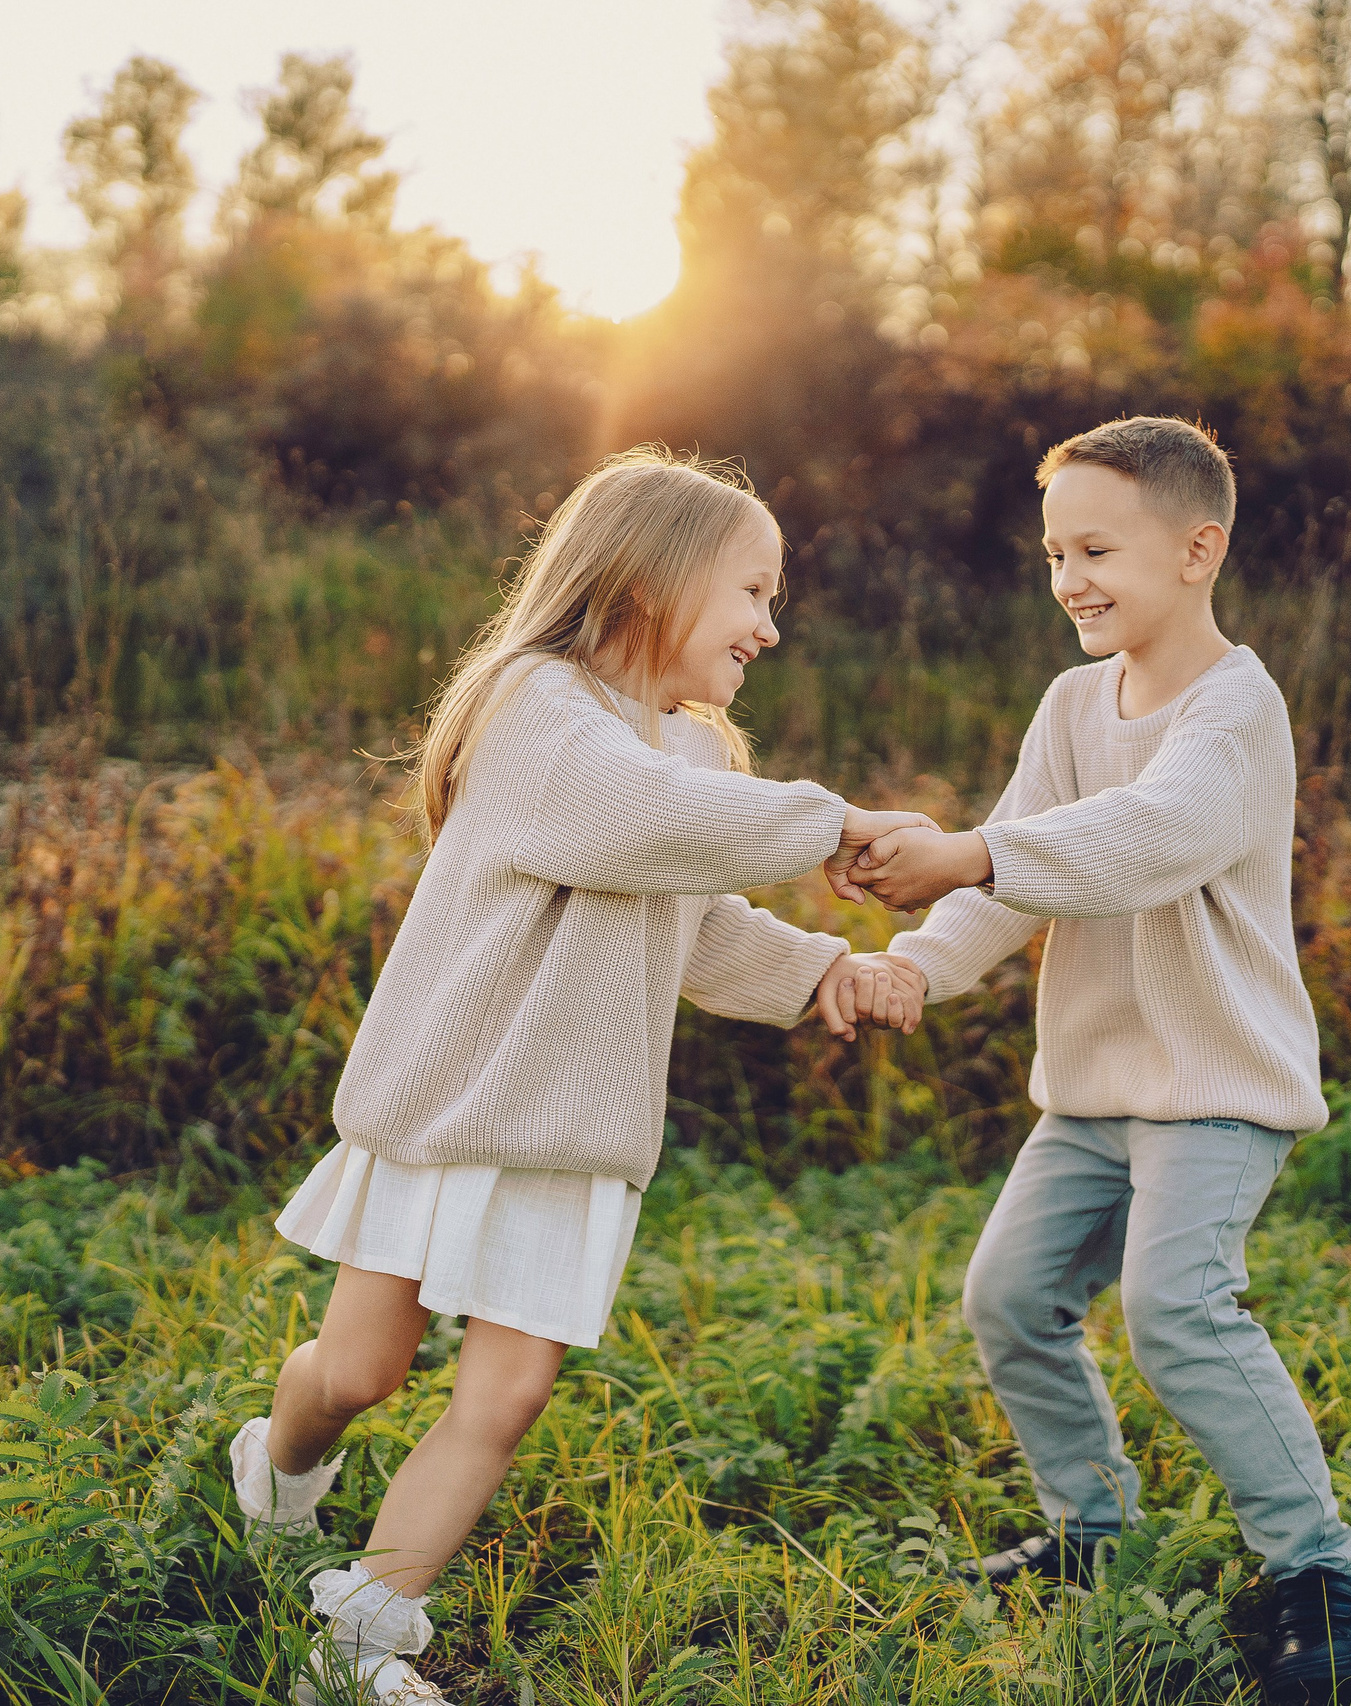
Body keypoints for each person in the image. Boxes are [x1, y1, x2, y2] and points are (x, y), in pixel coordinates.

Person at [231, 447, 930, 1706]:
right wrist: (835, 826)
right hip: (447, 1104)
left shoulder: (700, 761)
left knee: (504, 1395)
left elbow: (691, 918)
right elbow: (631, 819)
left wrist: (821, 966)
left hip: (573, 1125)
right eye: (754, 592)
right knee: (357, 1372)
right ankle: (272, 1477)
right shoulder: (534, 706)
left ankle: (353, 1642)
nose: (772, 627)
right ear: (652, 578)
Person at [844, 416, 1351, 1690]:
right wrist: (913, 963)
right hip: (1094, 1092)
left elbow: (1153, 834)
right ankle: (1088, 1532)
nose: (1070, 579)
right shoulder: (1070, 701)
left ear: (1199, 548)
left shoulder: (1234, 708)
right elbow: (1025, 872)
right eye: (1053, 553)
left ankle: (1316, 1574)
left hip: (1215, 1087)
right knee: (1008, 1297)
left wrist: (972, 846)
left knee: (1175, 1310)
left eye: (1097, 547)